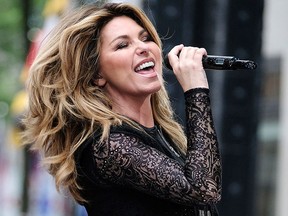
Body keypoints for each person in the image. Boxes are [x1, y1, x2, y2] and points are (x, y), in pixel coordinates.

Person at [22, 2, 222, 216]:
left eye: (145, 38)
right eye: (122, 45)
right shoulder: (108, 145)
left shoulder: (162, 135)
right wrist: (196, 90)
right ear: (97, 75)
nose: (144, 47)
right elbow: (203, 189)